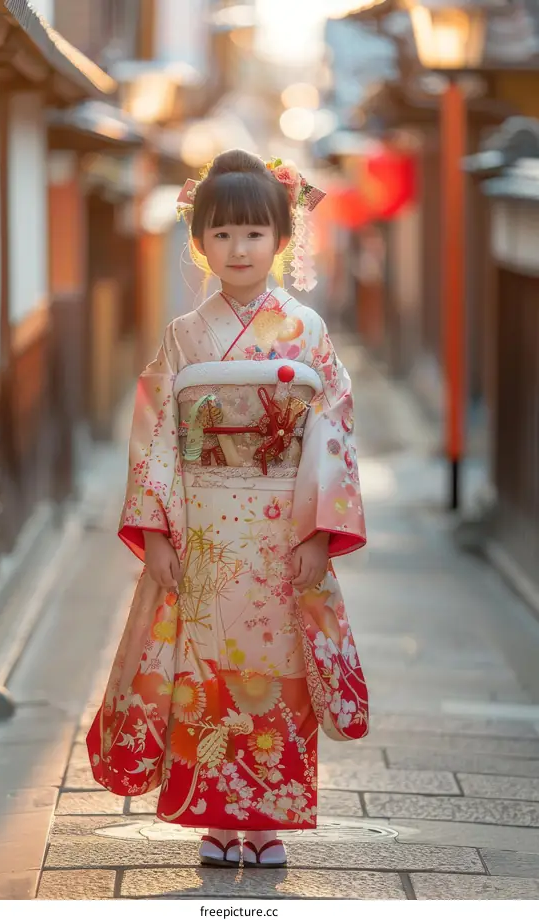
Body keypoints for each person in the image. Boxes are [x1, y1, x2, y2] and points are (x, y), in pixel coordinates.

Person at [87, 149, 368, 868]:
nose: (238, 249)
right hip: (205, 527)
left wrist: (318, 530)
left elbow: (332, 427)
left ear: (282, 240)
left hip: (282, 529)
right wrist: (155, 531)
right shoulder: (185, 335)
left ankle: (269, 820)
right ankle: (214, 817)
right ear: (199, 241)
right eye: (221, 234)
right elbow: (154, 433)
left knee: (281, 667)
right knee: (205, 664)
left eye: (253, 234)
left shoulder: (308, 333)